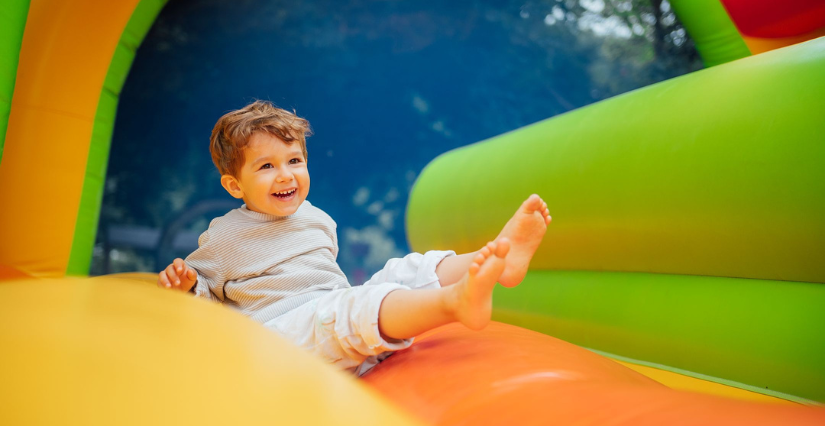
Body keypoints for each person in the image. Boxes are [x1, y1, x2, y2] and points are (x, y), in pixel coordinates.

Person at [157, 100, 551, 375]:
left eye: (295, 161)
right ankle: (454, 302)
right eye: (266, 166)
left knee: (404, 269)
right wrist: (188, 285)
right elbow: (207, 296)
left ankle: (498, 258)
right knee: (349, 307)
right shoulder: (225, 236)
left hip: (332, 316)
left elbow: (329, 283)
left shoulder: (316, 219)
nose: (286, 175)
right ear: (234, 185)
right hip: (283, 340)